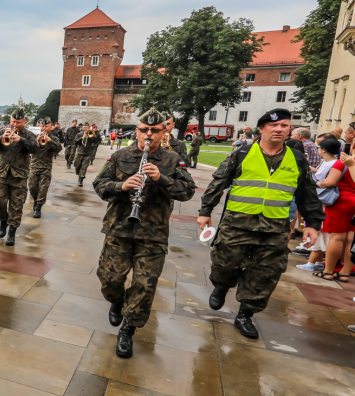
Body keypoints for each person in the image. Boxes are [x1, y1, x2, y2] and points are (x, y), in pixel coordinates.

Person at [199, 108, 324, 339]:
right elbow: (218, 182)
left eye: (284, 126)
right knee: (225, 264)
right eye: (273, 125)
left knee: (266, 272)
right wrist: (205, 211)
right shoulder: (242, 153)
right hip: (237, 223)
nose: (279, 129)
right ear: (262, 128)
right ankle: (221, 285)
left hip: (274, 228)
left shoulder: (296, 158)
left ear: (289, 130)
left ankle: (245, 314)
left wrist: (312, 223)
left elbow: (307, 192)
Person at [93, 109, 196, 358]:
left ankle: (128, 329)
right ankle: (118, 301)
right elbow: (99, 185)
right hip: (119, 229)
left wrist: (162, 179)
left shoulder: (173, 159)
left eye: (155, 130)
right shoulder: (120, 155)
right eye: (143, 130)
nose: (148, 134)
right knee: (110, 280)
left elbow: (188, 191)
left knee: (145, 285)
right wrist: (122, 185)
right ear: (137, 131)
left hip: (153, 233)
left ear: (164, 131)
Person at [0, 108, 39, 245]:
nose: (15, 125)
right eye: (13, 122)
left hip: (19, 175)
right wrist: (0, 137)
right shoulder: (2, 131)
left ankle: (12, 232)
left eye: (18, 122)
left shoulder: (29, 135)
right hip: (2, 174)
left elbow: (35, 149)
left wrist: (21, 140)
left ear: (24, 121)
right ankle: (3, 221)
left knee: (17, 205)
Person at [308, 137, 355, 281]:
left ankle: (328, 271)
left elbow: (330, 182)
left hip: (340, 202)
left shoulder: (343, 163)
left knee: (336, 238)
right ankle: (345, 273)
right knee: (351, 240)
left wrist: (316, 185)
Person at [28, 117, 63, 218]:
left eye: (46, 126)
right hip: (34, 166)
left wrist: (50, 141)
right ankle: (35, 200)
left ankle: (38, 207)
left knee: (43, 189)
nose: (44, 128)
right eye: (42, 126)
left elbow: (58, 149)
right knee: (32, 187)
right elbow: (29, 148)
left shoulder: (53, 137)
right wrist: (36, 141)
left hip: (46, 168)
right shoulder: (34, 136)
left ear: (50, 127)